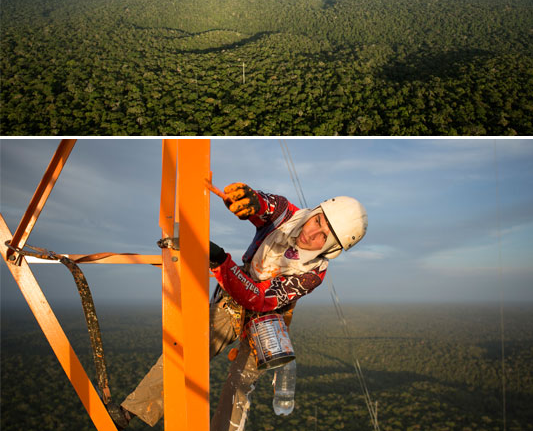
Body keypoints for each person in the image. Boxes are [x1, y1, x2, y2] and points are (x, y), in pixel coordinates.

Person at [112, 183, 367, 431]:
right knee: (190, 349)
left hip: (268, 317)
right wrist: (250, 200)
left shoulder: (313, 273)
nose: (311, 234)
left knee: (240, 386)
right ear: (314, 212)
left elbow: (260, 298)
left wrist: (219, 260)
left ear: (332, 249)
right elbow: (265, 207)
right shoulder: (285, 215)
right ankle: (130, 412)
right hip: (234, 299)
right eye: (317, 221)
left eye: (323, 237)